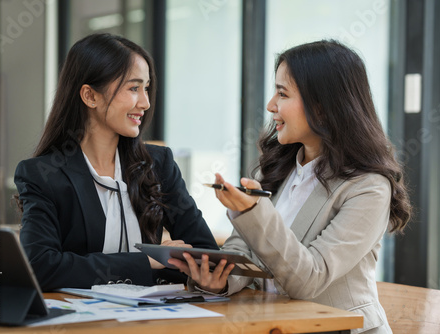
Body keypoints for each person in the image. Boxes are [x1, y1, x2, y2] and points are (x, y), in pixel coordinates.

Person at [169, 40, 412, 334]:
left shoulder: (368, 188)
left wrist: (254, 212)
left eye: (282, 93)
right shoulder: (277, 170)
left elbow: (308, 280)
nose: (271, 105)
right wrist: (220, 280)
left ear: (322, 107)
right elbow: (244, 251)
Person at [14, 33, 218, 291]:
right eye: (133, 88)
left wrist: (211, 279)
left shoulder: (158, 164)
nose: (145, 102)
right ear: (90, 96)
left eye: (146, 87)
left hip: (155, 321)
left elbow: (206, 255)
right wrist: (145, 261)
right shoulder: (43, 175)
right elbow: (40, 267)